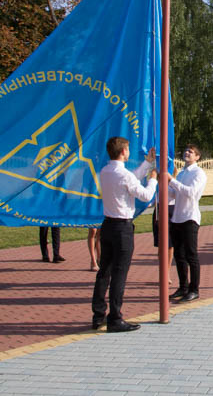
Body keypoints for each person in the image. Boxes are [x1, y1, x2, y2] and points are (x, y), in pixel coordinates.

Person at [91, 138, 157, 333]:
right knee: (119, 274)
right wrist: (153, 179)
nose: (129, 152)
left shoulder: (106, 171)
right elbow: (145, 195)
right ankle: (115, 317)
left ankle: (98, 315)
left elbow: (131, 178)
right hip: (122, 228)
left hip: (108, 225)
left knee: (104, 271)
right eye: (127, 149)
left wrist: (146, 164)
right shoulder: (123, 175)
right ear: (123, 152)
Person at [167, 144, 207, 303]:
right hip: (177, 217)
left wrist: (172, 181)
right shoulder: (182, 173)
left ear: (197, 157)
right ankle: (183, 286)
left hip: (190, 218)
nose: (187, 153)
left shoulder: (199, 173)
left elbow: (190, 193)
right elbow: (175, 194)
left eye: (191, 152)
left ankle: (194, 289)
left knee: (191, 255)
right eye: (186, 150)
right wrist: (164, 183)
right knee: (179, 255)